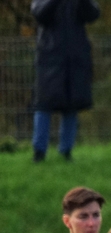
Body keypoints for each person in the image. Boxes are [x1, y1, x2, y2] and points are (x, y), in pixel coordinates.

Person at [30, 0, 100, 163]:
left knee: (71, 104)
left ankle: (66, 150)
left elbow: (93, 15)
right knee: (43, 105)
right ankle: (39, 151)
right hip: (49, 57)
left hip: (75, 58)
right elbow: (40, 15)